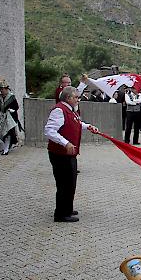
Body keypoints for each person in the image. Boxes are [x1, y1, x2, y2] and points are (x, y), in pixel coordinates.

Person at [44, 86, 99, 222]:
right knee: (64, 183)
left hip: (68, 154)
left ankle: (67, 208)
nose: (78, 99)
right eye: (76, 97)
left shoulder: (70, 110)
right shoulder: (59, 110)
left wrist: (88, 126)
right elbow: (49, 131)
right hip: (60, 154)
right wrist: (65, 143)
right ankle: (61, 214)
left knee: (70, 182)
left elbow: (76, 123)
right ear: (68, 98)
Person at [0, 81, 21, 155]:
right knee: (1, 131)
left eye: (3, 89)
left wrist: (12, 109)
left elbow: (16, 106)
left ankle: (6, 149)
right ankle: (7, 146)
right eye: (0, 89)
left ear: (6, 89)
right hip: (2, 117)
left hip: (11, 118)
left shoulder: (11, 97)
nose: (1, 91)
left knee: (8, 132)